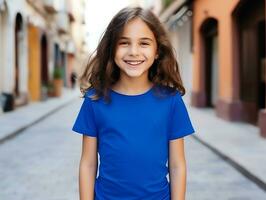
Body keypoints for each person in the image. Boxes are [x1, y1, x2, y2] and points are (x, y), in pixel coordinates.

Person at [72, 6, 195, 200]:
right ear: (112, 49)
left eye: (144, 43)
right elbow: (87, 163)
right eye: (124, 43)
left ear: (157, 51)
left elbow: (177, 165)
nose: (134, 52)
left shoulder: (171, 101)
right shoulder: (95, 100)